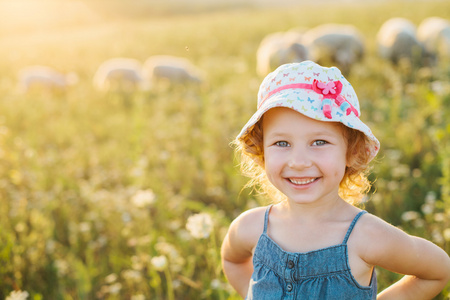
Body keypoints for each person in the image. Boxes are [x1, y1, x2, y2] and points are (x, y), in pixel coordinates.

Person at [221, 60, 450, 299]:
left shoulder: (366, 236)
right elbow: (232, 260)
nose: (298, 162)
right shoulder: (250, 227)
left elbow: (437, 271)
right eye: (282, 143)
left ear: (351, 152)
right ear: (262, 152)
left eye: (319, 142)